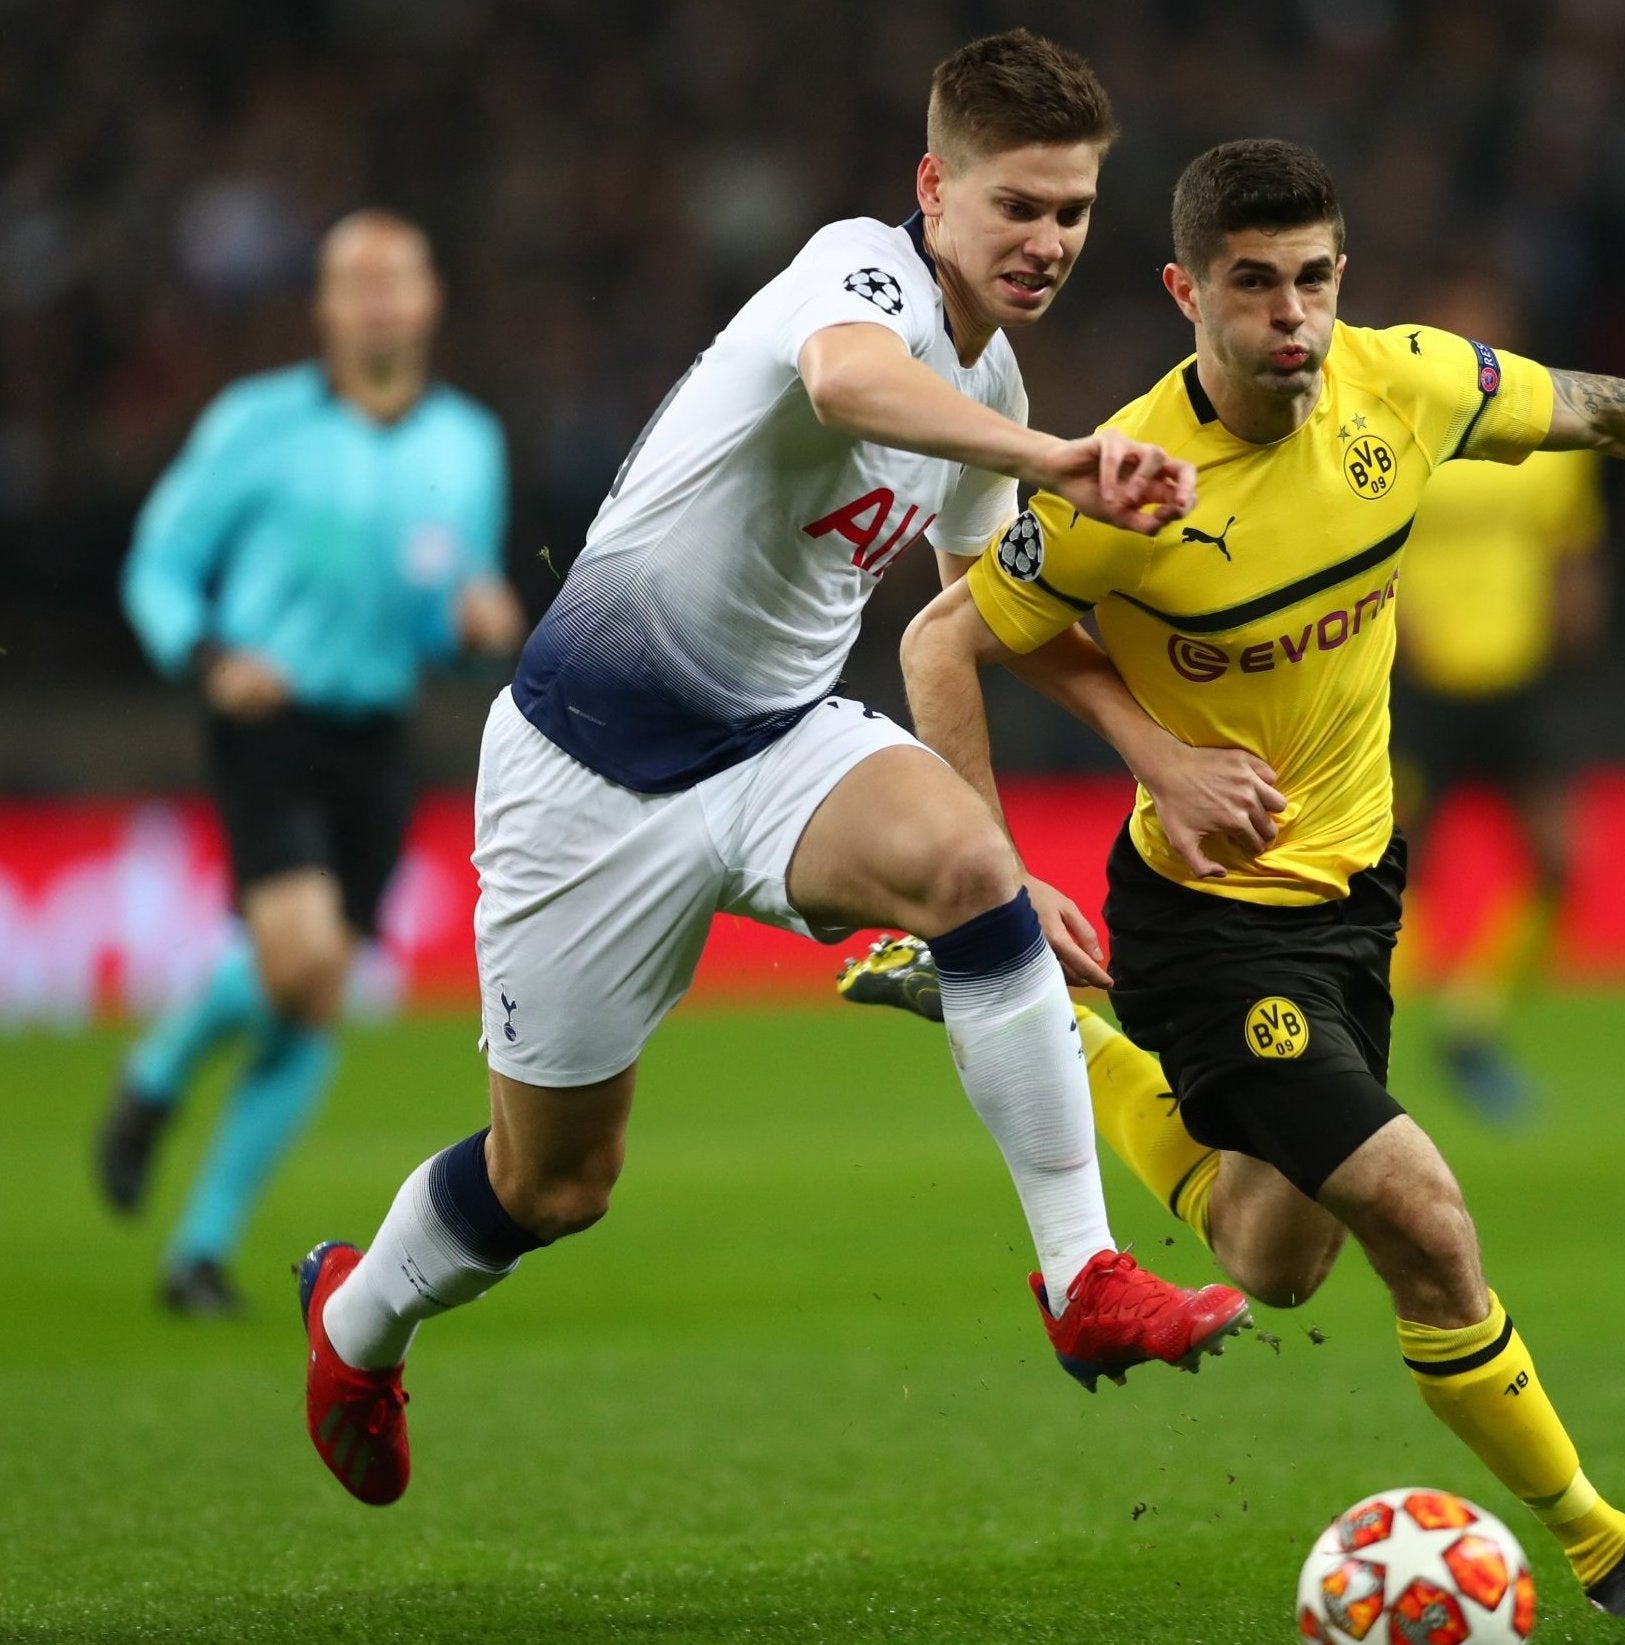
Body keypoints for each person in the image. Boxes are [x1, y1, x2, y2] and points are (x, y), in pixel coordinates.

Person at [889, 138, 1625, 1620]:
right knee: (1427, 1217)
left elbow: (1604, 408)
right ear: (1183, 291)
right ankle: (1607, 1546)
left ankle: (1047, 1035)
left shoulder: (1400, 384)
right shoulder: (1124, 478)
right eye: (1254, 285)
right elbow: (944, 642)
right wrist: (1019, 872)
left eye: (1316, 281)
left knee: (1273, 1260)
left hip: (1355, 894)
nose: (1292, 318)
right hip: (1210, 922)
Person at [294, 32, 1247, 1510]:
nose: (1048, 242)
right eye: (1018, 207)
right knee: (553, 1184)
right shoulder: (852, 273)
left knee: (969, 878)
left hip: (775, 746)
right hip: (581, 774)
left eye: (1072, 212)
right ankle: (355, 1323)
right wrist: (1061, 457)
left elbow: (967, 618)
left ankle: (1084, 1277)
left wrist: (1066, 812)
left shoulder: (990, 379)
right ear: (936, 190)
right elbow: (850, 384)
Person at [101, 209, 523, 1316]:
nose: (380, 298)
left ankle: (199, 1250)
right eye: (357, 281)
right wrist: (204, 654)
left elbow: (448, 599)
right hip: (267, 721)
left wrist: (476, 618)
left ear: (429, 302)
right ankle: (154, 1076)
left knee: (315, 995)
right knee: (300, 961)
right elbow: (160, 560)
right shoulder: (256, 426)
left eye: (400, 278)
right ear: (327, 308)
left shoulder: (465, 444)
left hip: (378, 738)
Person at [1387, 270, 1609, 1121]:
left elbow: (1573, 547)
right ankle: (1389, 1035)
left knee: (1557, 860)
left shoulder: (1540, 435)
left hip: (1520, 681)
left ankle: (1472, 1018)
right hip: (1426, 683)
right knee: (1398, 869)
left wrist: (1578, 608)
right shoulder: (1410, 435)